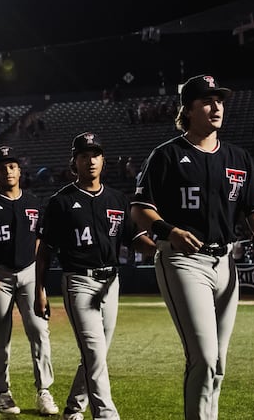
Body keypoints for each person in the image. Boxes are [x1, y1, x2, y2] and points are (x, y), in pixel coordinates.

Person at [129, 74, 254, 420]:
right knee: (203, 357)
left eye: (219, 100)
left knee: (218, 362)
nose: (216, 106)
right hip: (183, 261)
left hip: (225, 262)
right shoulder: (167, 155)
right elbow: (139, 210)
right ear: (187, 110)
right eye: (207, 100)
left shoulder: (238, 157)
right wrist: (168, 230)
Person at [36, 132, 156, 420]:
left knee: (96, 355)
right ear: (74, 163)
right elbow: (45, 251)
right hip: (78, 281)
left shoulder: (117, 198)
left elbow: (135, 238)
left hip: (111, 283)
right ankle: (106, 414)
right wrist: (39, 289)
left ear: (103, 160)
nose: (90, 160)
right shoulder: (60, 202)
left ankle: (73, 407)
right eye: (84, 155)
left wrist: (163, 247)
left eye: (95, 154)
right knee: (94, 352)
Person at [0, 145, 57, 416]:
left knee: (39, 330)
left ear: (19, 170)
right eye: (2, 167)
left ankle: (44, 391)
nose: (8, 170)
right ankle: (3, 393)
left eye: (12, 166)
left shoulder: (33, 202)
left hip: (29, 273)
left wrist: (40, 286)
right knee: (0, 336)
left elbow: (40, 243)